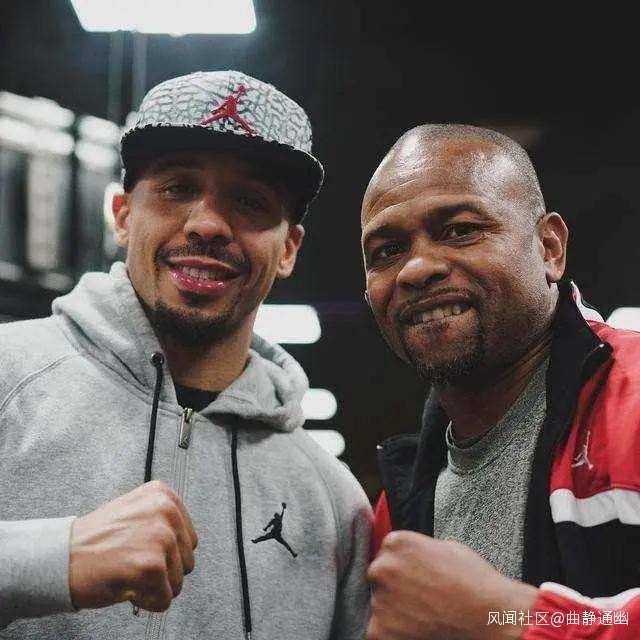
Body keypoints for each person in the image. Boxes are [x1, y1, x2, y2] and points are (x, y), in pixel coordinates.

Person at [0, 70, 371, 639]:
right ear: (123, 215)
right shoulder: (8, 377)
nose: (207, 224)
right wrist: (53, 559)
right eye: (177, 188)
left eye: (250, 201)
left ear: (288, 249)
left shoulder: (334, 502)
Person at [360, 124, 640, 639]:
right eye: (387, 250)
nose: (415, 269)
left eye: (460, 230)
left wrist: (516, 620)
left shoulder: (635, 400)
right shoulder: (395, 510)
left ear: (550, 248)